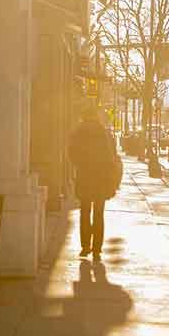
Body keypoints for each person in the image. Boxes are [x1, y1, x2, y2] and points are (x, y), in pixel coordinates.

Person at [69, 107, 119, 261]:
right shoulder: (105, 133)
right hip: (101, 178)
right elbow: (112, 157)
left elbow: (72, 154)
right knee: (99, 213)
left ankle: (85, 247)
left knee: (85, 211)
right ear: (96, 117)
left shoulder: (78, 132)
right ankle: (97, 248)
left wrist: (81, 165)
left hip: (85, 176)